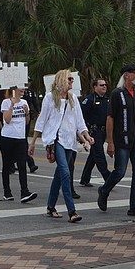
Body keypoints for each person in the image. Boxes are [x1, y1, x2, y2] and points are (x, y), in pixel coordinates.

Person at [29, 69, 94, 223]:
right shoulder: (50, 98)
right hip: (55, 140)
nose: (72, 82)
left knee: (59, 175)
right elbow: (42, 121)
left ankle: (51, 207)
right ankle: (72, 211)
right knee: (65, 173)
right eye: (69, 79)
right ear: (61, 80)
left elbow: (79, 122)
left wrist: (86, 136)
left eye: (72, 79)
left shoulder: (73, 99)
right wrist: (33, 142)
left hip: (69, 141)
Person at [97, 64, 135, 216]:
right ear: (126, 75)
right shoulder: (117, 94)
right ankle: (104, 190)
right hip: (122, 140)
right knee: (120, 172)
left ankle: (134, 206)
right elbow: (110, 118)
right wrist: (110, 142)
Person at [0, 86, 37, 203]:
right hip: (7, 138)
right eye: (21, 88)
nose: (23, 90)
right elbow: (7, 119)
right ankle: (7, 192)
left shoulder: (24, 102)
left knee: (22, 164)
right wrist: (12, 105)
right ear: (14, 89)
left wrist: (26, 113)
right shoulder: (6, 102)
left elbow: (27, 121)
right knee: (7, 164)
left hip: (20, 138)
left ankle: (24, 191)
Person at [79, 77, 111, 187]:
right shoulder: (90, 99)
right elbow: (80, 116)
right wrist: (83, 132)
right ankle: (108, 178)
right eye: (101, 85)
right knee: (99, 155)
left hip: (103, 132)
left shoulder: (106, 100)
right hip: (94, 131)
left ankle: (85, 178)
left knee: (93, 156)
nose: (104, 87)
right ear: (95, 87)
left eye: (105, 85)